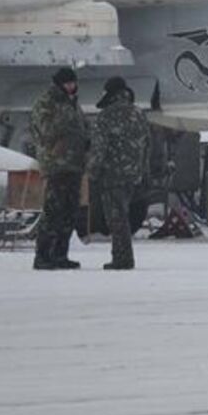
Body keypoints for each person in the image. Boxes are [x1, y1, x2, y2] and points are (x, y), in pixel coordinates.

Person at [88, 76, 150, 270]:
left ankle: (122, 259)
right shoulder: (138, 113)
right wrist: (141, 169)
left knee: (117, 218)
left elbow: (99, 149)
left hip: (112, 175)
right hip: (133, 175)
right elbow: (148, 144)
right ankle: (123, 257)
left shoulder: (106, 116)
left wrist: (92, 173)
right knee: (124, 216)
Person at [30, 67, 89, 270]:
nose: (72, 86)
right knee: (53, 211)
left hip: (74, 165)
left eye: (73, 82)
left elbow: (82, 128)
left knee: (69, 211)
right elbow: (45, 130)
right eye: (68, 83)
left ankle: (60, 254)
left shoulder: (73, 104)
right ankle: (43, 255)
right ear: (60, 84)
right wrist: (67, 121)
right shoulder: (47, 102)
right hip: (56, 164)